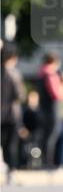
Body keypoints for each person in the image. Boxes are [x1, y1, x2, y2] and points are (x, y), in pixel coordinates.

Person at [1, 45, 26, 184]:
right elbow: (20, 95)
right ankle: (11, 171)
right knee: (11, 145)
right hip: (11, 114)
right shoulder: (13, 74)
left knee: (4, 144)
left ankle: (7, 168)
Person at [37, 52, 63, 168]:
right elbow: (57, 95)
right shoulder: (51, 74)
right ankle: (49, 163)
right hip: (51, 109)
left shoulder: (41, 73)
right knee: (52, 136)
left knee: (46, 136)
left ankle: (45, 161)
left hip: (43, 108)